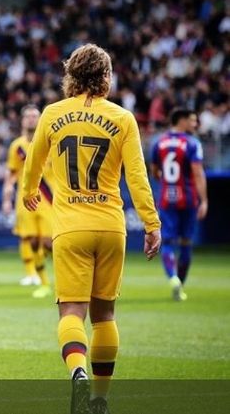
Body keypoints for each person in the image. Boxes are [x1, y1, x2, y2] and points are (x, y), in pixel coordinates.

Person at [21, 44, 161, 414]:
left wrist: (28, 192)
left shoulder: (52, 114)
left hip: (70, 227)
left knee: (71, 312)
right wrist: (151, 222)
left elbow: (32, 164)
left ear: (71, 75)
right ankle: (99, 398)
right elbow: (137, 177)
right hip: (111, 226)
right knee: (105, 316)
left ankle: (78, 373)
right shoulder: (123, 119)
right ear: (106, 77)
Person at [150, 108, 208, 301]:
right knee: (186, 243)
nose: (195, 124)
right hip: (189, 198)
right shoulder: (192, 143)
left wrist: (167, 183)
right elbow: (198, 172)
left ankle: (173, 278)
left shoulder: (158, 142)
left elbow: (155, 171)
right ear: (181, 120)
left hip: (167, 198)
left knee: (167, 241)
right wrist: (204, 200)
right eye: (192, 120)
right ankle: (180, 286)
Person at [2, 105, 55, 297]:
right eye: (28, 117)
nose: (31, 119)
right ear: (23, 120)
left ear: (41, 119)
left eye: (35, 116)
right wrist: (6, 199)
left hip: (49, 201)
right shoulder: (17, 146)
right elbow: (11, 175)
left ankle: (39, 271)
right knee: (31, 240)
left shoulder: (51, 142)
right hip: (26, 200)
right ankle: (43, 282)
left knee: (49, 242)